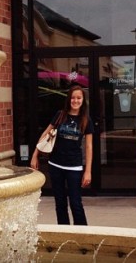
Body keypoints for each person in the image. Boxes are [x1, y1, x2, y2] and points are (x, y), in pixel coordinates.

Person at [31, 85, 93, 225]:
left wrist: (88, 171)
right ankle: (64, 232)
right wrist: (35, 155)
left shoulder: (85, 120)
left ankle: (83, 235)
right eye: (73, 98)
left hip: (74, 167)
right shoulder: (60, 115)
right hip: (55, 165)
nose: (75, 101)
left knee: (76, 204)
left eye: (78, 98)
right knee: (60, 203)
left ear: (83, 100)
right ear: (69, 99)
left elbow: (89, 147)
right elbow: (45, 134)